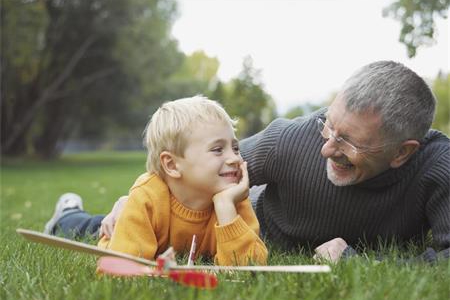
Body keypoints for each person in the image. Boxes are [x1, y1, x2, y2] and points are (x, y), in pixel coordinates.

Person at [100, 61, 450, 263]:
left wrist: (355, 261)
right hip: (235, 223)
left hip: (240, 242)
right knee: (122, 227)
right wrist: (132, 201)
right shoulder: (291, 139)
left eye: (348, 141)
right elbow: (192, 168)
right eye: (329, 125)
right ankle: (70, 216)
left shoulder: (438, 168)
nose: (327, 148)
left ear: (402, 152)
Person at [44, 96, 268, 266]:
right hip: (120, 231)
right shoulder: (148, 199)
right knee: (87, 229)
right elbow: (119, 268)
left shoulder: (233, 199)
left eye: (236, 147)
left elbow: (250, 267)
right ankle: (67, 214)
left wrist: (226, 208)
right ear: (172, 165)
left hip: (151, 232)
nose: (235, 158)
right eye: (218, 149)